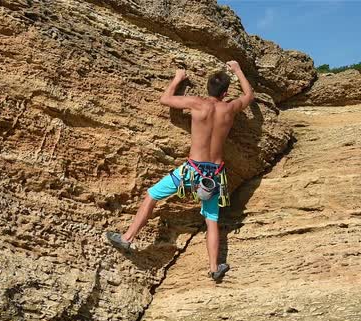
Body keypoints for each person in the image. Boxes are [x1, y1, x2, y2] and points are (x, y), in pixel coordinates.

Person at [106, 60, 254, 281]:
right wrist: (238, 70)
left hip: (191, 170)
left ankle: (127, 238)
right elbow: (249, 95)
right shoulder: (229, 108)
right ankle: (214, 268)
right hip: (213, 175)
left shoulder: (197, 103)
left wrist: (177, 78)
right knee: (211, 219)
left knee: (152, 195)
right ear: (224, 93)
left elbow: (165, 99)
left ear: (207, 88)